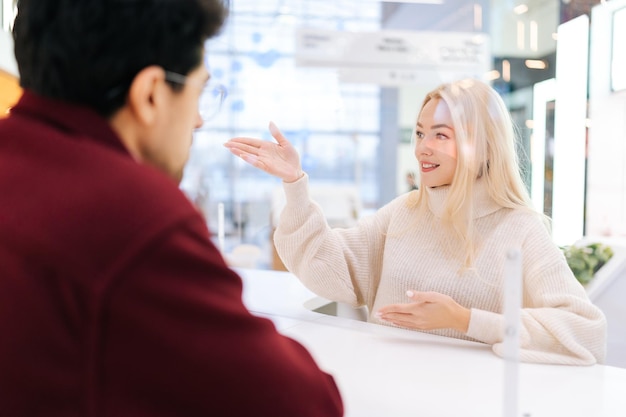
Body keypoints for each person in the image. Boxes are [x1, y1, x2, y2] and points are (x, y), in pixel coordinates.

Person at [0, 1, 343, 416]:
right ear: (150, 95)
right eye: (199, 91)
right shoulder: (131, 216)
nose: (198, 120)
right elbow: (303, 403)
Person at [224, 78, 607, 366]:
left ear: (484, 145)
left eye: (441, 135)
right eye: (422, 133)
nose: (423, 146)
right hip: (385, 386)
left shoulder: (521, 228)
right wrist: (294, 183)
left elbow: (585, 332)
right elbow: (331, 269)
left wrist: (465, 319)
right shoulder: (405, 211)